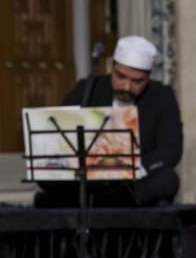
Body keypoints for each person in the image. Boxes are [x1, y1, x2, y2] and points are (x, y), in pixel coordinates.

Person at [36, 35, 183, 207]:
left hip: (133, 180)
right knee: (46, 175)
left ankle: (104, 202)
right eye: (121, 77)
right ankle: (101, 202)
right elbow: (57, 134)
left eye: (136, 81)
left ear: (148, 77)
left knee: (167, 179)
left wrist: (131, 168)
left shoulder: (162, 96)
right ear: (112, 67)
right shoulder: (88, 88)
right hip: (88, 177)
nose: (126, 87)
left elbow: (171, 150)